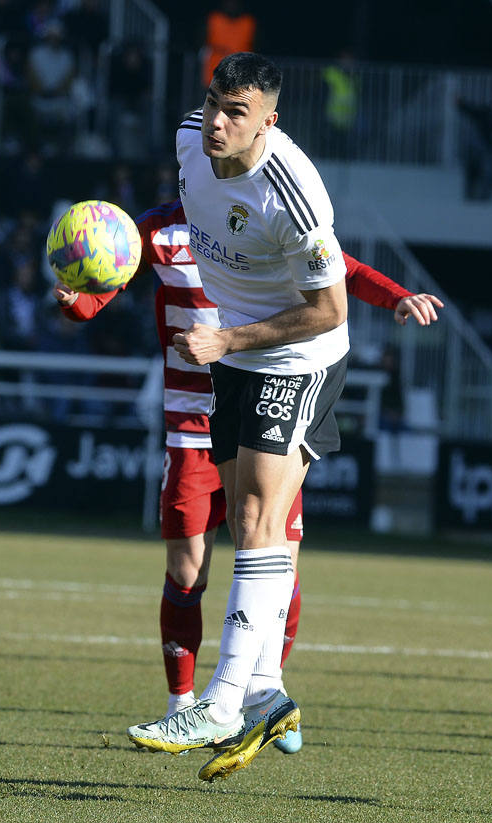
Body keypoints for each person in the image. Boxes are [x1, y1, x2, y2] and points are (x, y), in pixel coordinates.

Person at [54, 199, 442, 754]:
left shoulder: (265, 218)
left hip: (262, 413)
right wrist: (75, 302)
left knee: (279, 557)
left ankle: (267, 692)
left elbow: (342, 269)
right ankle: (182, 705)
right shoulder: (156, 231)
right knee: (188, 573)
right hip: (191, 426)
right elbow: (101, 290)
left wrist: (397, 296)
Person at [123, 51, 357, 782]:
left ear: (269, 120)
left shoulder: (293, 193)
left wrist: (225, 336)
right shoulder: (189, 136)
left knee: (257, 516)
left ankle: (221, 701)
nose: (218, 122)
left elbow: (329, 308)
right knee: (247, 526)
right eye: (215, 104)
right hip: (233, 358)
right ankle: (263, 692)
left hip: (297, 358)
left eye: (237, 112)